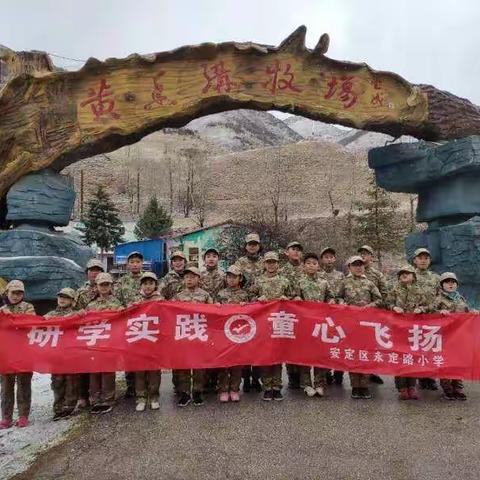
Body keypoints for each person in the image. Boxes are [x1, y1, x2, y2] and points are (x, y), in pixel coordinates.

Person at [250, 251, 293, 402]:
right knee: (265, 356)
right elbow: (250, 299)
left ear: (277, 264)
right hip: (263, 324)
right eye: (268, 262)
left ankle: (277, 386)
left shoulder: (284, 281)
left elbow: (293, 299)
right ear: (264, 264)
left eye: (273, 262)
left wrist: (285, 299)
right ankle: (267, 386)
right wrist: (257, 299)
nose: (271, 264)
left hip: (279, 323)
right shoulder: (259, 280)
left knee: (277, 355)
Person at [338, 256, 382, 400]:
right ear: (349, 267)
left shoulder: (369, 283)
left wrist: (369, 306)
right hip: (350, 325)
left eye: (361, 265)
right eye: (355, 265)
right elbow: (337, 297)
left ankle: (365, 385)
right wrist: (343, 303)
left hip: (366, 325)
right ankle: (355, 386)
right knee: (352, 354)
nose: (358, 267)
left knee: (365, 354)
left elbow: (379, 299)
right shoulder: (344, 282)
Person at [387, 265, 429, 400]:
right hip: (398, 329)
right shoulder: (394, 290)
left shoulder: (419, 291)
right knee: (399, 357)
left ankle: (412, 386)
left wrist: (421, 309)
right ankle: (402, 388)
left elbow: (429, 305)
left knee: (412, 357)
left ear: (413, 276)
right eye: (402, 274)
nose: (405, 275)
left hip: (414, 330)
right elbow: (386, 303)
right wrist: (394, 307)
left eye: (408, 273)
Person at [173, 266, 213, 407]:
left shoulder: (205, 295)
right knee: (184, 365)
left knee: (199, 366)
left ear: (198, 279)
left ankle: (197, 391)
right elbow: (170, 313)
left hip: (200, 334)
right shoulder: (178, 296)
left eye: (192, 277)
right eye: (187, 277)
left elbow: (214, 315)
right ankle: (184, 393)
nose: (189, 279)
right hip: (184, 334)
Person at [298, 253, 335, 397]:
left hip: (321, 324)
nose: (311, 265)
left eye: (314, 263)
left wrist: (331, 300)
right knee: (305, 354)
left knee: (320, 354)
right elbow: (294, 298)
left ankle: (320, 383)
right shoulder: (300, 282)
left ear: (318, 266)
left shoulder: (324, 282)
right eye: (308, 263)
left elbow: (331, 296)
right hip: (305, 324)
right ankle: (306, 384)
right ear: (304, 266)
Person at [0, 280, 36, 429]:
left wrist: (11, 316)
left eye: (19, 293)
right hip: (5, 352)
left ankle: (23, 415)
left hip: (23, 351)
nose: (16, 296)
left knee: (23, 384)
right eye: (13, 293)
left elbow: (30, 322)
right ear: (7, 293)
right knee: (6, 386)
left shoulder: (28, 307)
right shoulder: (2, 308)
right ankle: (6, 417)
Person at [86, 273, 122, 414]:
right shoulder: (91, 305)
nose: (104, 287)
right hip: (94, 342)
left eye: (107, 284)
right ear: (97, 286)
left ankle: (108, 399)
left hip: (109, 342)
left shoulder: (117, 303)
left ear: (111, 286)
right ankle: (95, 399)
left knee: (108, 371)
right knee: (94, 372)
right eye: (102, 285)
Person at [234, 233, 264, 393]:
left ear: (259, 246)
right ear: (245, 246)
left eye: (255, 244)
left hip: (260, 307)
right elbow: (234, 280)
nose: (252, 246)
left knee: (258, 344)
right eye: (250, 244)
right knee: (244, 343)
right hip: (243, 305)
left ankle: (257, 378)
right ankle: (246, 379)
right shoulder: (240, 262)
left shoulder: (264, 262)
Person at [130, 272, 164, 412]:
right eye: (145, 283)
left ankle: (154, 397)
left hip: (155, 341)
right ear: (141, 285)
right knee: (139, 371)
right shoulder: (135, 300)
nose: (148, 286)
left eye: (151, 283)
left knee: (154, 371)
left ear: (155, 285)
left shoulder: (161, 300)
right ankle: (141, 397)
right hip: (139, 340)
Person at [435, 272, 471, 400]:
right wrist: (439, 312)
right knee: (445, 362)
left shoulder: (461, 298)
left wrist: (473, 313)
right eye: (447, 282)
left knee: (458, 362)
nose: (450, 284)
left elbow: (467, 313)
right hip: (445, 336)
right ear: (442, 285)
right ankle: (447, 389)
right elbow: (429, 312)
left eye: (453, 282)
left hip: (459, 337)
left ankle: (458, 388)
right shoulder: (438, 299)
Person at [215, 265, 249, 402]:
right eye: (229, 276)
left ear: (240, 278)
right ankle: (223, 389)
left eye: (234, 277)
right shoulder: (221, 294)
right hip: (223, 334)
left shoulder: (244, 295)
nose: (231, 279)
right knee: (224, 363)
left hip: (239, 334)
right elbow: (214, 311)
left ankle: (235, 389)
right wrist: (216, 306)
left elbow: (253, 312)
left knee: (237, 363)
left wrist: (245, 305)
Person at [75, 258, 104, 409]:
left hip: (103, 333)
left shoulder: (108, 289)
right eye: (92, 270)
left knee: (99, 366)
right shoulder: (80, 292)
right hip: (85, 333)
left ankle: (98, 396)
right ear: (87, 273)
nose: (95, 273)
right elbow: (73, 311)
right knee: (83, 367)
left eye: (98, 270)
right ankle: (82, 396)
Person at [44, 288, 79, 419]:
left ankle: (69, 406)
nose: (62, 299)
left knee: (71, 380)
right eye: (60, 297)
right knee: (57, 380)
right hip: (56, 354)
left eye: (66, 297)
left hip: (71, 353)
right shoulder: (50, 314)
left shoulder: (77, 314)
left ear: (72, 300)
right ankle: (58, 406)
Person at [357, 245, 389, 385]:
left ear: (372, 257)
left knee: (372, 345)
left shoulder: (377, 275)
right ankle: (357, 372)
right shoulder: (352, 272)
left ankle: (372, 371)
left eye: (366, 254)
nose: (363, 256)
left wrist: (378, 308)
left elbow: (384, 294)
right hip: (355, 316)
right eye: (361, 254)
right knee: (356, 344)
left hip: (373, 315)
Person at [116, 251, 145, 398]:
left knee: (145, 354)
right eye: (132, 262)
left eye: (138, 262)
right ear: (128, 264)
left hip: (145, 324)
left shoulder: (148, 279)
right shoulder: (121, 282)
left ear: (142, 263)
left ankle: (145, 385)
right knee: (129, 355)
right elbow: (116, 301)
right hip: (127, 323)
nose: (135, 264)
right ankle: (131, 385)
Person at [412, 247, 440, 391]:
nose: (423, 260)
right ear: (415, 260)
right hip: (413, 318)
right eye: (420, 258)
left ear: (429, 261)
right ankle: (420, 377)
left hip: (431, 317)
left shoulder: (435, 278)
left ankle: (431, 377)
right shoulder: (409, 276)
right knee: (416, 348)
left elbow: (440, 296)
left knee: (431, 348)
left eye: (426, 258)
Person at [200, 247, 225, 393]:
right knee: (204, 349)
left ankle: (216, 381)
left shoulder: (224, 275)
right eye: (208, 256)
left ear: (218, 259)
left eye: (214, 256)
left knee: (218, 349)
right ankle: (204, 382)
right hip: (204, 318)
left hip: (220, 318)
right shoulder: (199, 275)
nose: (211, 258)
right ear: (204, 259)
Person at [280, 241, 304, 389]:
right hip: (288, 313)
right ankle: (292, 376)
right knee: (289, 345)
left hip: (304, 314)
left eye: (298, 250)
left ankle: (302, 376)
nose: (296, 252)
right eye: (293, 249)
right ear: (286, 252)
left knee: (303, 345)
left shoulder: (307, 268)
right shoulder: (282, 271)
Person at [319, 247, 345, 385]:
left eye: (331, 257)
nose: (329, 259)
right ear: (322, 259)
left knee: (339, 343)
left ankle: (339, 372)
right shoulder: (317, 274)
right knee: (324, 344)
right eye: (326, 257)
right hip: (322, 314)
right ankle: (326, 373)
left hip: (338, 314)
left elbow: (343, 294)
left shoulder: (340, 275)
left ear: (334, 259)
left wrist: (339, 302)